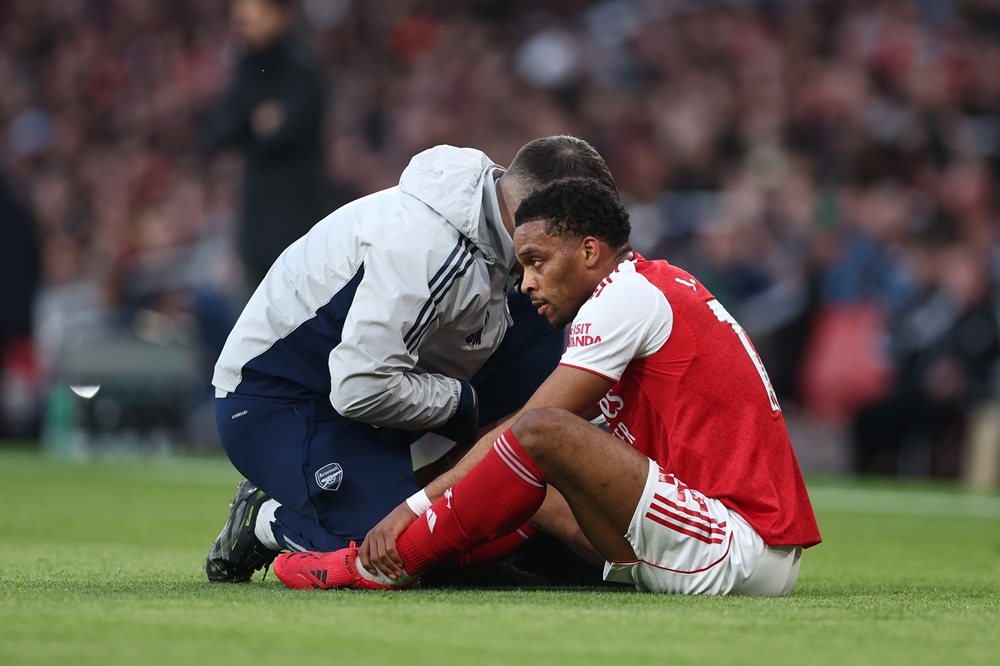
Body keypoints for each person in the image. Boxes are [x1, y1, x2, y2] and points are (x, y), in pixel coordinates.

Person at [273, 177, 822, 596]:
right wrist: (403, 505)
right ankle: (416, 556)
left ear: (589, 252)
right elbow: (510, 445)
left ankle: (374, 568)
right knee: (522, 461)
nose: (528, 282)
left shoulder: (623, 298)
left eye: (536, 261)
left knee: (538, 430)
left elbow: (531, 429)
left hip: (737, 544)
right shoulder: (649, 289)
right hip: (725, 535)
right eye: (521, 267)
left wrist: (408, 509)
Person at [205, 137, 620, 583]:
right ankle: (265, 521)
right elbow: (359, 387)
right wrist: (462, 402)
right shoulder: (424, 247)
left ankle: (527, 508)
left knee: (545, 314)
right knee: (401, 555)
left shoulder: (498, 232)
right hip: (281, 398)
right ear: (545, 215)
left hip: (383, 386)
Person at [204, 0, 329, 289]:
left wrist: (248, 125)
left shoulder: (303, 67)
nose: (245, 21)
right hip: (255, 221)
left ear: (281, 15)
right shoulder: (245, 67)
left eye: (255, 13)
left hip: (297, 216)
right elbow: (220, 129)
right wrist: (254, 121)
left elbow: (285, 131)